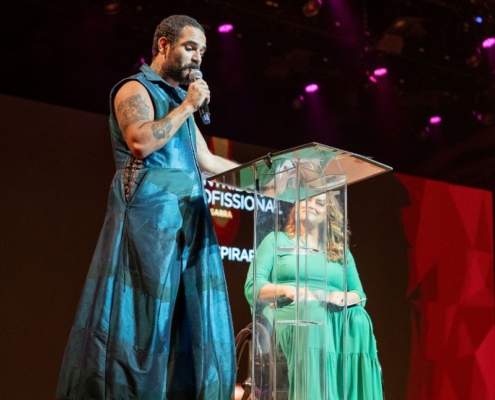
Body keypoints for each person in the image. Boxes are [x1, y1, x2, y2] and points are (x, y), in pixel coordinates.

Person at [56, 15, 237, 400]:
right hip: (146, 225)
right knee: (137, 325)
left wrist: (268, 177)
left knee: (182, 327)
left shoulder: (178, 103)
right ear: (163, 45)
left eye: (202, 51)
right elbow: (140, 142)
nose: (197, 58)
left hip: (185, 226)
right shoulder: (134, 89)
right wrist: (188, 106)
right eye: (190, 47)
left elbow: (206, 161)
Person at [244, 193, 383, 400]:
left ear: (329, 214)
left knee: (359, 319)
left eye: (319, 203)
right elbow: (253, 286)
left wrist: (342, 297)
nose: (310, 205)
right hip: (291, 312)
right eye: (306, 199)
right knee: (313, 312)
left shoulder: (340, 252)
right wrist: (287, 290)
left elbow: (359, 294)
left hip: (331, 313)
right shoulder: (275, 240)